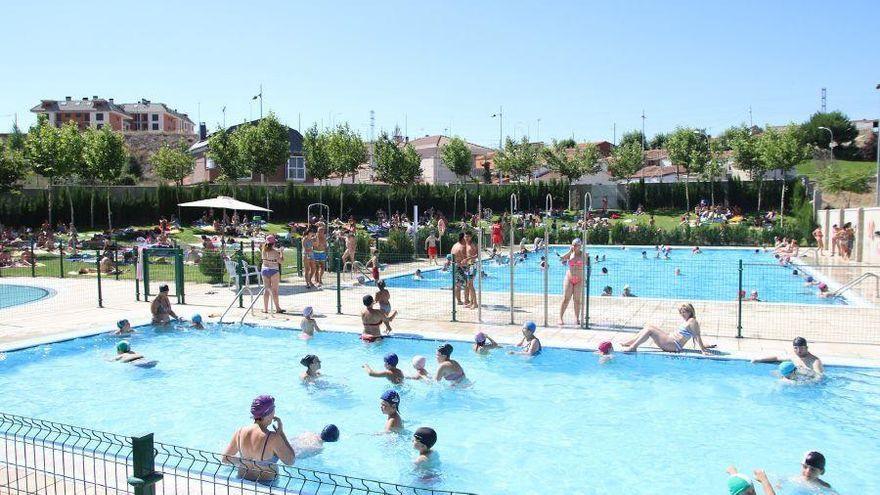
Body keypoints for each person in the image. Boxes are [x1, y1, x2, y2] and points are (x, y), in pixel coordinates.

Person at [221, 395, 295, 482]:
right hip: (266, 485)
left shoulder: (240, 432)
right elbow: (290, 461)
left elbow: (225, 459)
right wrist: (281, 434)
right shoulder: (273, 438)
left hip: (242, 481)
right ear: (269, 413)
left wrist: (246, 462)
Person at [621, 303, 713, 355]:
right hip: (671, 341)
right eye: (681, 312)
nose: (682, 314)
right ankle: (630, 342)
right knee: (649, 326)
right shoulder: (689, 321)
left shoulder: (692, 321)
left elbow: (697, 335)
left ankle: (633, 347)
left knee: (649, 330)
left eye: (684, 312)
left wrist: (703, 350)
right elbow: (694, 335)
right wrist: (704, 345)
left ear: (690, 312)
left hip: (673, 345)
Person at [751, 337, 824, 378]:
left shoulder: (815, 361)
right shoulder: (793, 356)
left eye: (801, 348)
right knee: (773, 373)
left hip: (805, 383)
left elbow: (819, 377)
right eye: (796, 348)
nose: (798, 351)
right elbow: (776, 358)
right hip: (794, 378)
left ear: (806, 348)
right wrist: (759, 359)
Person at [558, 239, 585, 326]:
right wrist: (570, 251)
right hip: (569, 278)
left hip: (579, 279)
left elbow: (586, 264)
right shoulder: (570, 253)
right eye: (573, 245)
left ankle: (576, 318)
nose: (574, 246)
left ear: (580, 246)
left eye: (576, 245)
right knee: (566, 299)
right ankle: (560, 318)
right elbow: (561, 259)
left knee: (577, 300)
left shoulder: (583, 254)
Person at [260, 235, 285, 314]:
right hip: (274, 270)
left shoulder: (263, 250)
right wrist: (281, 252)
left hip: (264, 270)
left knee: (266, 290)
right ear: (273, 243)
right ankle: (277, 308)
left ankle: (265, 309)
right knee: (274, 291)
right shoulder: (274, 252)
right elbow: (281, 261)